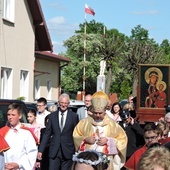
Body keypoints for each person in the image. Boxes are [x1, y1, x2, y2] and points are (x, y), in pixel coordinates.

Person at [73, 91, 127, 170]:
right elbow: (76, 135)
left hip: (106, 162)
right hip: (88, 162)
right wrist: (85, 139)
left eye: (100, 113)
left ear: (105, 111)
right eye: (95, 113)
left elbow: (123, 140)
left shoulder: (113, 125)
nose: (97, 115)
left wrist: (108, 141)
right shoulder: (84, 123)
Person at [37, 93, 79, 170]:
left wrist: (77, 149)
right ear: (59, 103)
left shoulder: (74, 116)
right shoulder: (52, 116)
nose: (63, 105)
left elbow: (76, 134)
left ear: (68, 104)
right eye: (62, 103)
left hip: (67, 150)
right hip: (54, 151)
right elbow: (47, 134)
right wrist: (40, 150)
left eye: (65, 103)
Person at [0, 103, 38, 170]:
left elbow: (31, 153)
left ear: (20, 116)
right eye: (8, 115)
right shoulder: (2, 132)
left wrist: (18, 164)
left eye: (13, 115)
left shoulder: (26, 133)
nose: (10, 117)